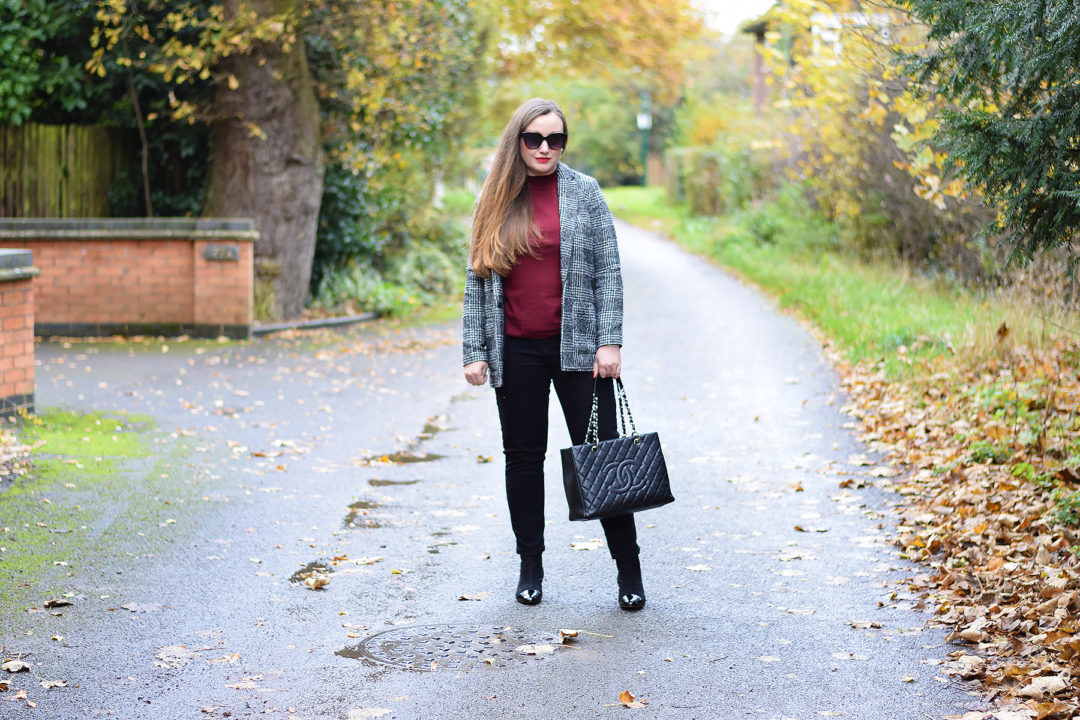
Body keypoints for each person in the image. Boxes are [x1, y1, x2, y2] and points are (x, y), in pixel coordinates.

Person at [461, 98, 644, 611]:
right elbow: (477, 278)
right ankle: (530, 565)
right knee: (523, 460)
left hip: (580, 350)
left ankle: (628, 568)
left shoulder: (585, 193)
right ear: (517, 141)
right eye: (535, 139)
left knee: (604, 456)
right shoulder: (494, 198)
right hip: (515, 349)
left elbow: (608, 270)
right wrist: (474, 350)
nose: (545, 148)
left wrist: (611, 341)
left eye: (555, 140)